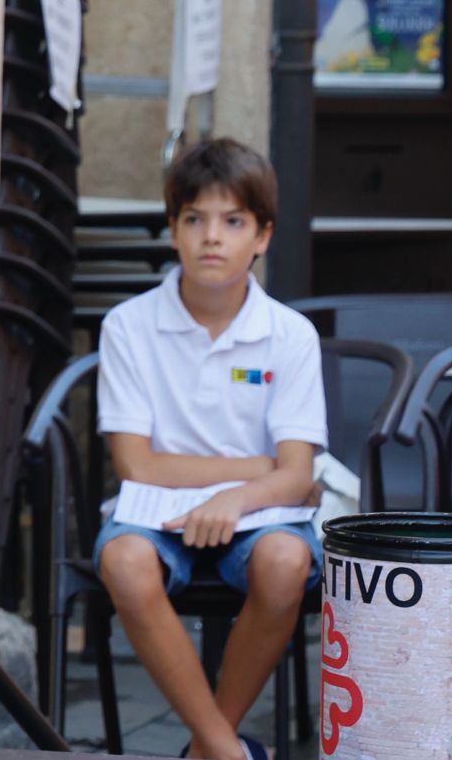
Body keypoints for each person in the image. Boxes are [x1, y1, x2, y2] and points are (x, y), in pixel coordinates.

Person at [94, 139, 325, 760]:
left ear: (263, 236)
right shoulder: (129, 325)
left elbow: (298, 473)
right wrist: (259, 470)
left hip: (260, 514)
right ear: (173, 230)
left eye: (233, 221)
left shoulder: (290, 334)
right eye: (194, 219)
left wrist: (239, 497)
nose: (211, 238)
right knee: (124, 562)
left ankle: (206, 749)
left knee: (284, 563)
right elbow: (135, 463)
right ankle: (227, 750)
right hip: (154, 508)